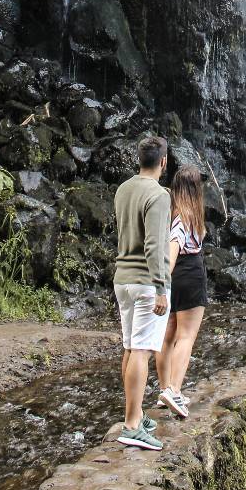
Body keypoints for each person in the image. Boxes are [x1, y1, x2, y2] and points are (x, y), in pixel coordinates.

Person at [113, 133, 171, 450]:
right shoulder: (159, 195)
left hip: (122, 279)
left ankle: (132, 414)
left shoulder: (123, 189)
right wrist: (161, 288)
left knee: (130, 347)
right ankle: (133, 426)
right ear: (163, 162)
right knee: (141, 351)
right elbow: (153, 245)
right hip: (147, 282)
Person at [156, 165, 208, 419]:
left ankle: (165, 388)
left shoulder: (175, 213)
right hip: (189, 275)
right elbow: (172, 252)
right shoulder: (185, 218)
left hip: (178, 278)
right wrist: (161, 287)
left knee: (168, 334)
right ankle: (174, 390)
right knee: (185, 336)